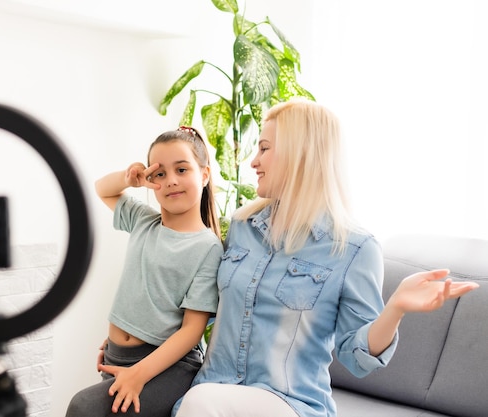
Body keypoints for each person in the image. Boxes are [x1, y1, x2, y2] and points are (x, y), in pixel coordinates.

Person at [171, 99, 479, 417]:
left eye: (264, 148)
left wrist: (396, 307)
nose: (253, 162)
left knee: (202, 402)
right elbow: (199, 309)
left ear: (299, 154)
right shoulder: (241, 227)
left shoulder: (354, 248)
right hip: (215, 393)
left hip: (290, 404)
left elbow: (356, 357)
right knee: (199, 400)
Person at [66, 126, 223, 417]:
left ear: (204, 174)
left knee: (83, 408)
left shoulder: (208, 247)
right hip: (118, 356)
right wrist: (129, 179)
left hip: (167, 367)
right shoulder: (143, 221)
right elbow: (103, 188)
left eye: (181, 169)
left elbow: (192, 330)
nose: (171, 181)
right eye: (159, 174)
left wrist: (138, 374)